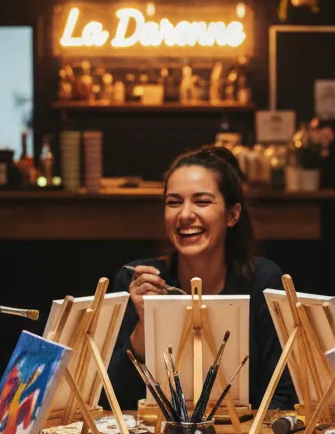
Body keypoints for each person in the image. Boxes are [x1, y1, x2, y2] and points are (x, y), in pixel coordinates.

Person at [106, 145, 292, 412]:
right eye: (173, 202)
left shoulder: (263, 281)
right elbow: (112, 400)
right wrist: (146, 327)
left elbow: (283, 394)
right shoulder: (138, 282)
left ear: (232, 214)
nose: (184, 215)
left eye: (202, 201)